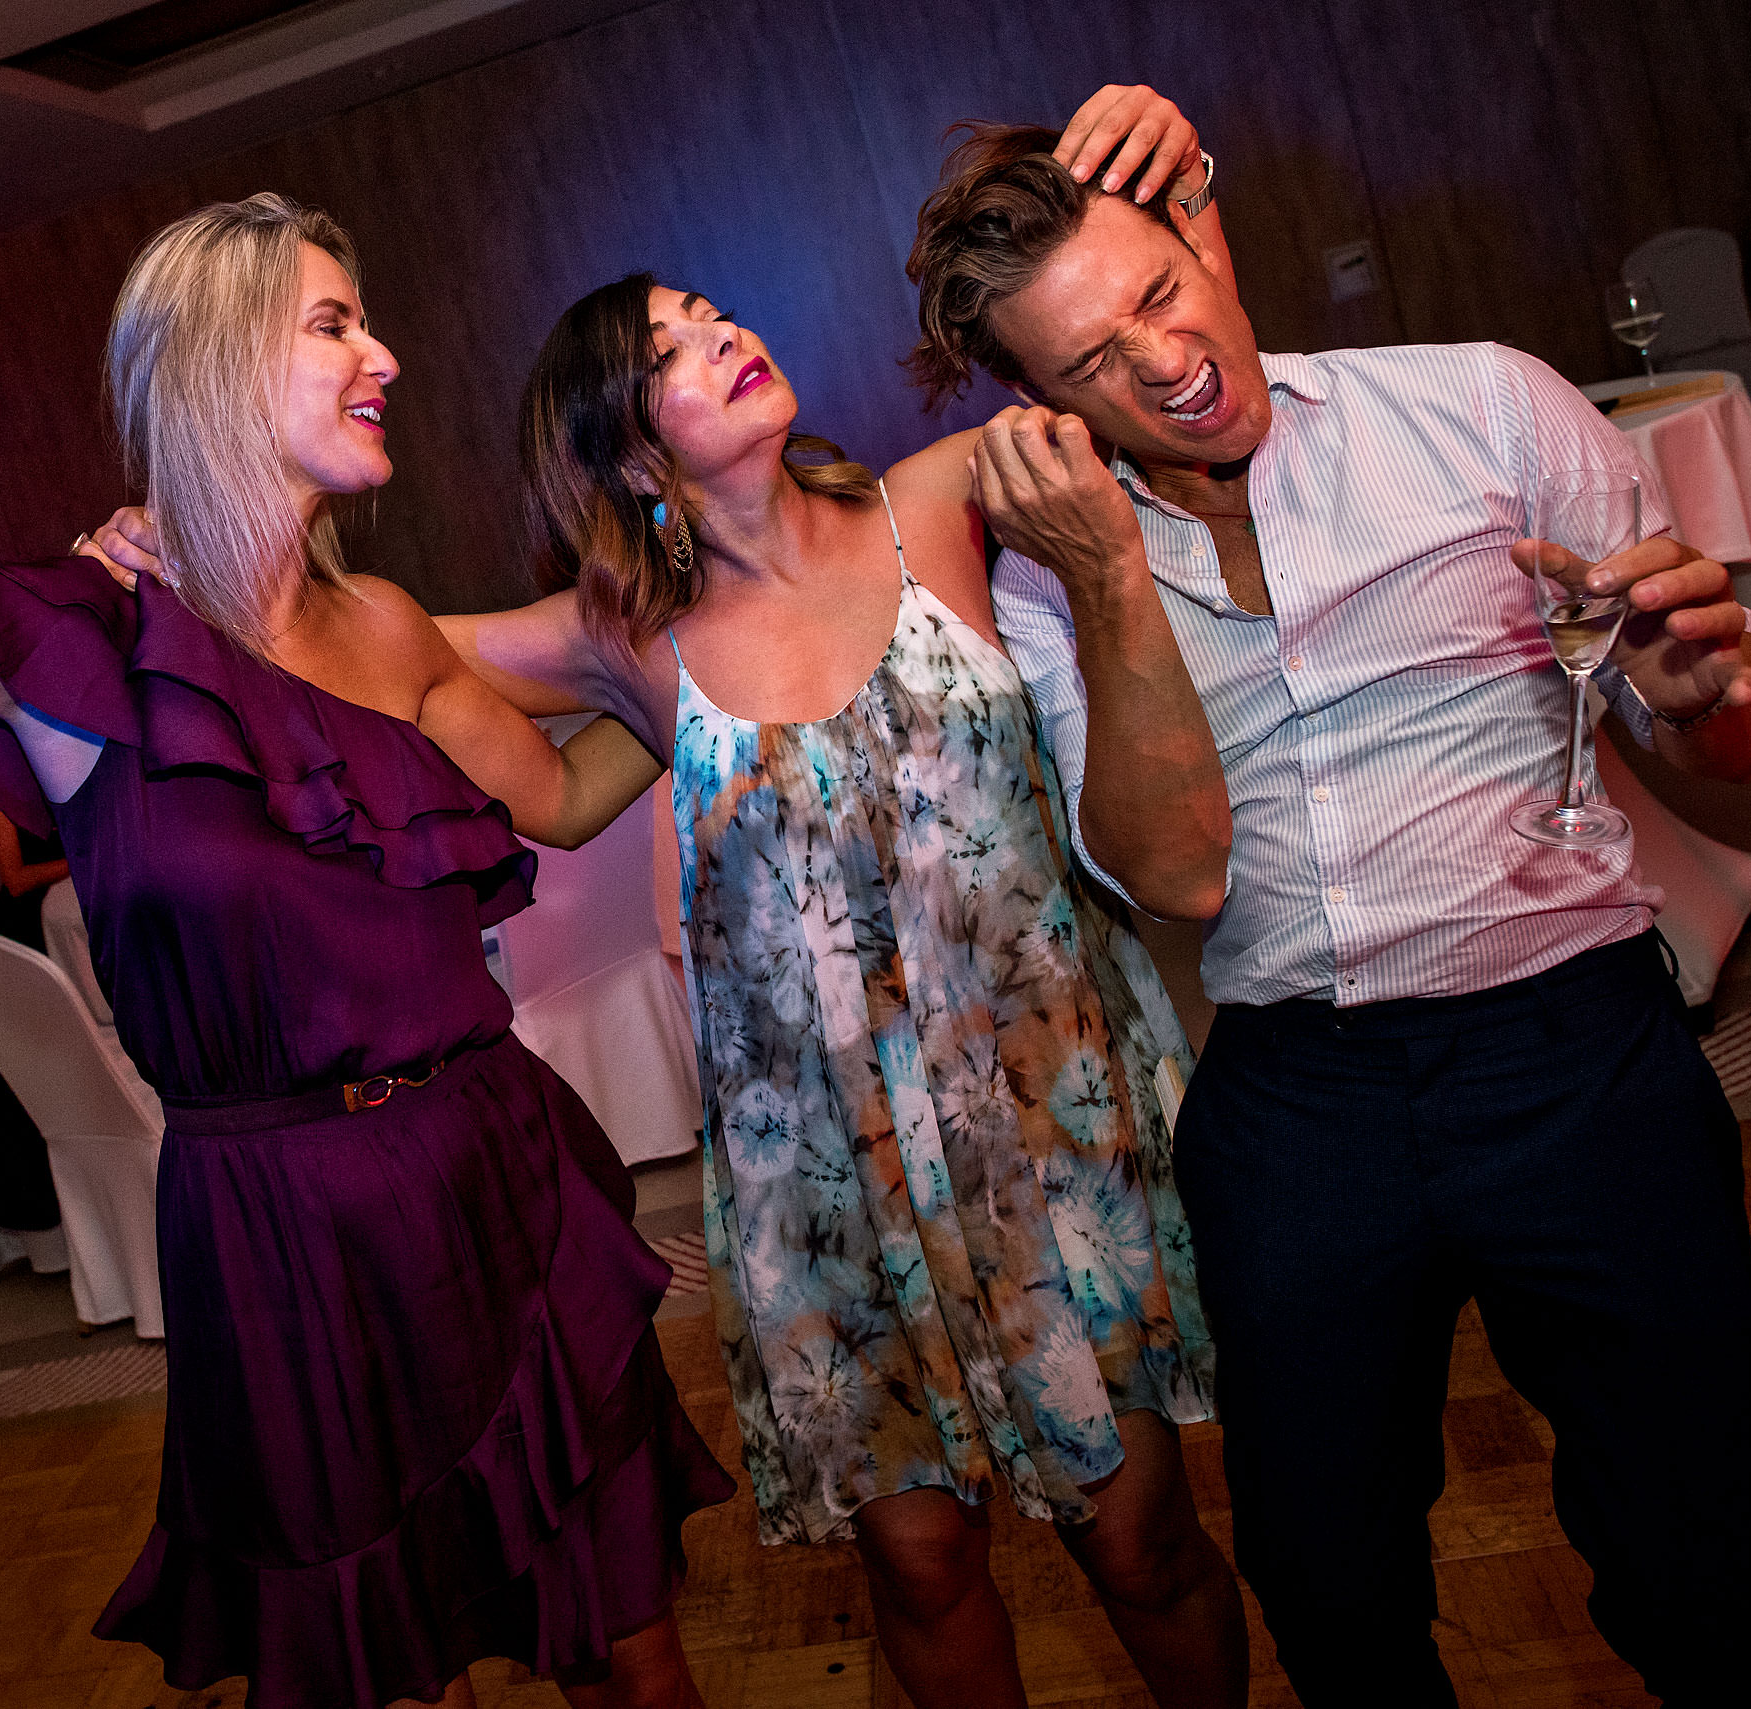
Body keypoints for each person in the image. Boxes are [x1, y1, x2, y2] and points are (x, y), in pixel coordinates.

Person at [96, 84, 1254, 1709]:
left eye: (718, 312)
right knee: (919, 1558)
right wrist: (176, 562)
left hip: (1038, 1130)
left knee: (1141, 1534)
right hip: (821, 1185)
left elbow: (1151, 377)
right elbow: (338, 636)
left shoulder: (944, 501)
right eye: (673, 344)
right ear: (627, 450)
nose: (723, 335)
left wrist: (1182, 205)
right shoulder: (620, 639)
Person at [0, 97, 733, 1709]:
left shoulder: (385, 623)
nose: (383, 356)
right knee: (357, 1660)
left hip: (495, 1169)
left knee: (629, 1643)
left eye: (370, 321)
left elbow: (569, 791)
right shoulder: (83, 641)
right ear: (221, 361)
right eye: (334, 324)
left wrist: (706, 696)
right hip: (282, 1228)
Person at [903, 124, 1751, 1705]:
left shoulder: (1481, 402)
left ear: (1209, 234)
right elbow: (1176, 878)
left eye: (1164, 288)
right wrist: (1117, 579)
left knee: (1707, 1549)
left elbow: (1731, 742)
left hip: (1577, 1052)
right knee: (1330, 1585)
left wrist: (1713, 686)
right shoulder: (1054, 577)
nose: (1169, 360)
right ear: (1044, 409)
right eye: (1097, 360)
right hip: (1300, 1092)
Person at [0, 794, 66, 953]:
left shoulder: (68, 780)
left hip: (73, 905)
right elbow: (16, 881)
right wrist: (81, 864)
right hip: (28, 922)